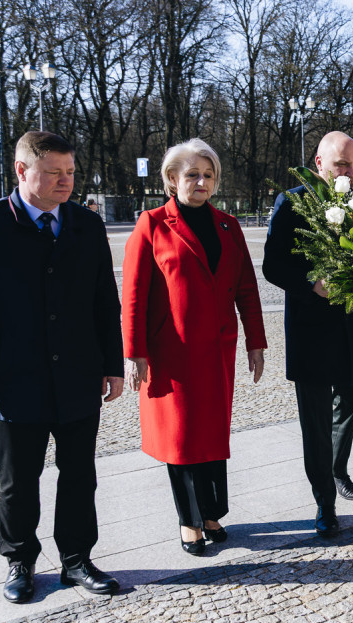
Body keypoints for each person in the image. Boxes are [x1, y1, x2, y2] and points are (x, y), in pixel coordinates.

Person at [0, 131, 123, 603]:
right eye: (54, 172)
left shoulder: (86, 225)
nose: (66, 181)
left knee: (80, 474)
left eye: (71, 172)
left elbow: (106, 301)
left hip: (79, 375)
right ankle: (19, 561)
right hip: (14, 379)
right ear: (22, 171)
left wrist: (112, 363)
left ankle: (77, 559)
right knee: (18, 480)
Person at [121, 139, 267, 556]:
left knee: (212, 434)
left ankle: (211, 513)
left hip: (218, 350)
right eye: (192, 175)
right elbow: (133, 293)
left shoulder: (228, 225)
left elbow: (246, 288)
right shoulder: (152, 224)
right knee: (181, 439)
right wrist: (134, 352)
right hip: (174, 353)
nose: (201, 182)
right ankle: (189, 520)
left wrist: (256, 341)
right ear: (171, 179)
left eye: (208, 175)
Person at [262, 131, 353, 538]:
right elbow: (273, 266)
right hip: (311, 329)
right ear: (319, 163)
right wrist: (312, 283)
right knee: (316, 420)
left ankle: (337, 468)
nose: (350, 172)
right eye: (342, 164)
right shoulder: (292, 201)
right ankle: (324, 499)